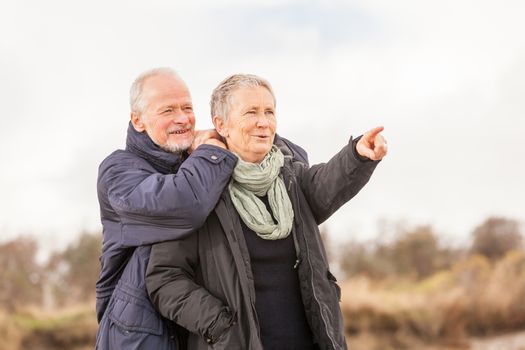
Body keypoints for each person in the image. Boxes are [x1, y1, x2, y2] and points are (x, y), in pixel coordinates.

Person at [145, 74, 387, 350]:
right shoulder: (198, 190)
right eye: (251, 112)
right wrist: (219, 325)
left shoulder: (293, 178)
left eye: (269, 112)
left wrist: (357, 155)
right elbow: (164, 279)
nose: (264, 122)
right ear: (220, 124)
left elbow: (325, 184)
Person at [94, 68, 239, 350]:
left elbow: (283, 152)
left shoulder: (194, 161)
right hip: (136, 338)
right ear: (138, 120)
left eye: (187, 107)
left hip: (197, 329)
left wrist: (230, 135)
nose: (183, 118)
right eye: (168, 110)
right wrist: (213, 148)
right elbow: (186, 204)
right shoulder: (117, 172)